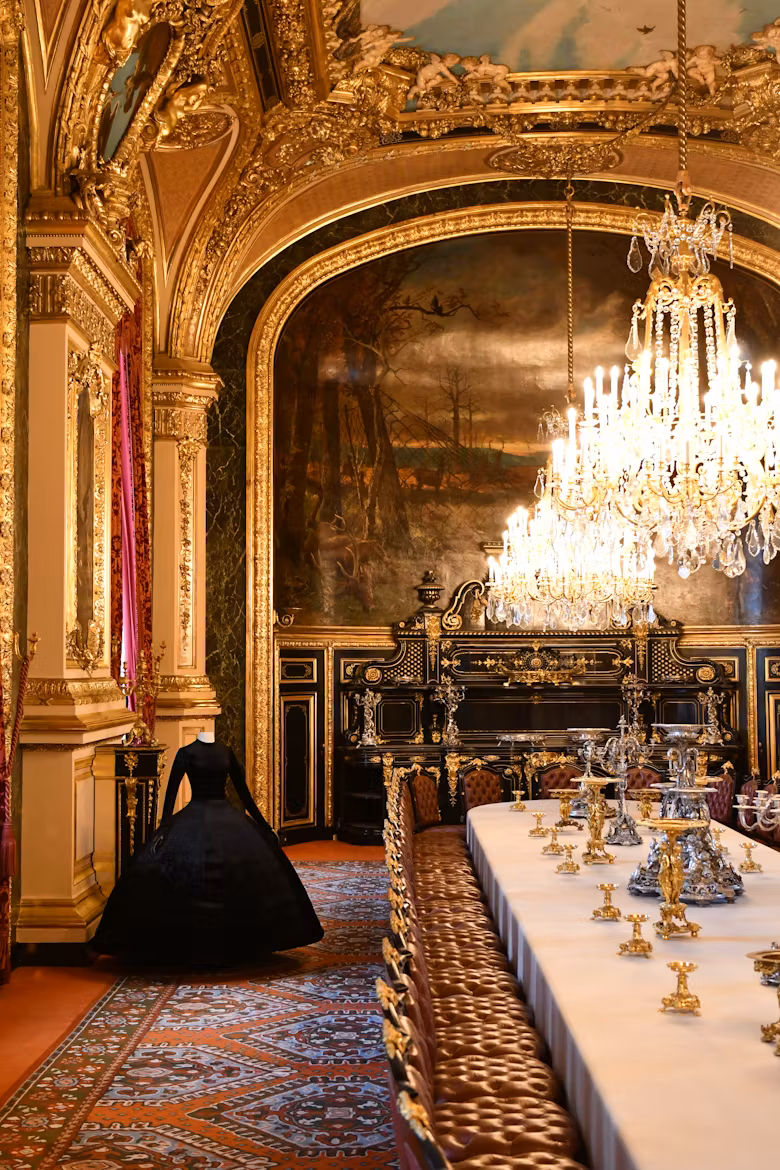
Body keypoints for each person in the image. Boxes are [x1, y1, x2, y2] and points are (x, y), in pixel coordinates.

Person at [93, 733, 323, 966]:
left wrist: (265, 826)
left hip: (221, 817)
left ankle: (237, 943)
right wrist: (163, 830)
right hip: (201, 817)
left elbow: (244, 793)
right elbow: (170, 794)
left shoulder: (225, 751)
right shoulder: (186, 752)